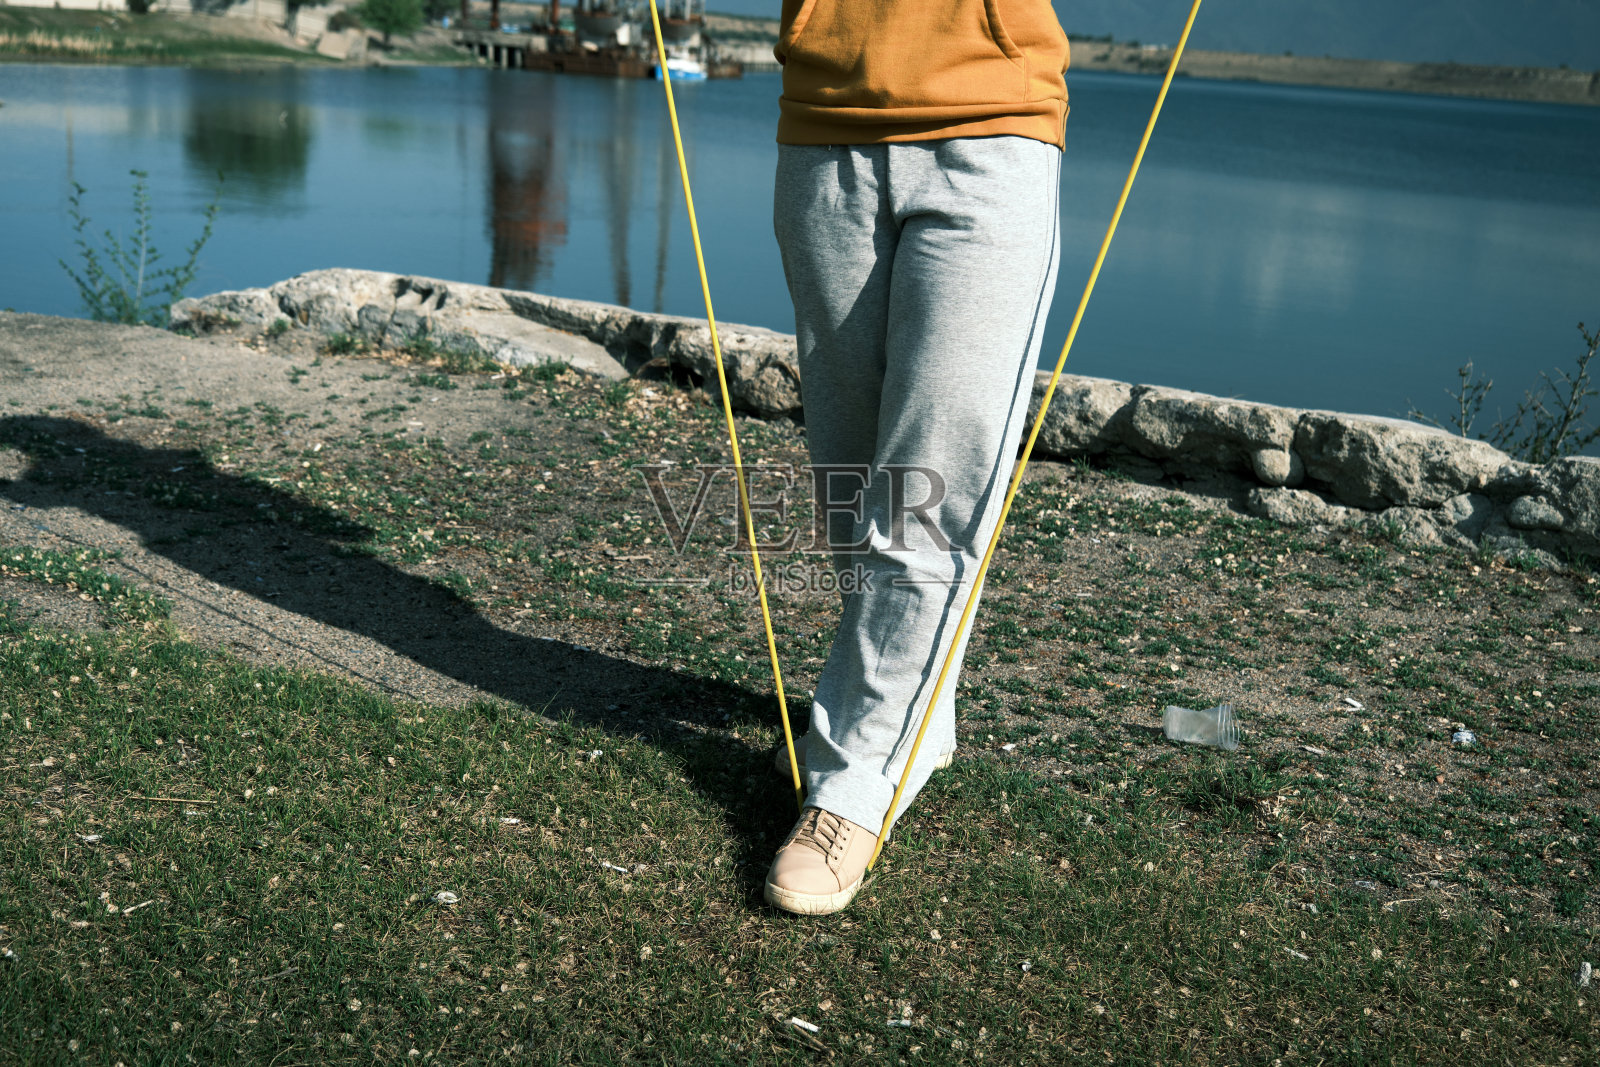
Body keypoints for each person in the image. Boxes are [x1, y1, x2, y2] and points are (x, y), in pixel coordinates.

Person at [763, 0, 1073, 915]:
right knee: (853, 484)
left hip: (993, 125)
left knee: (926, 491)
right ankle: (912, 724)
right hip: (824, 120)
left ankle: (851, 784)